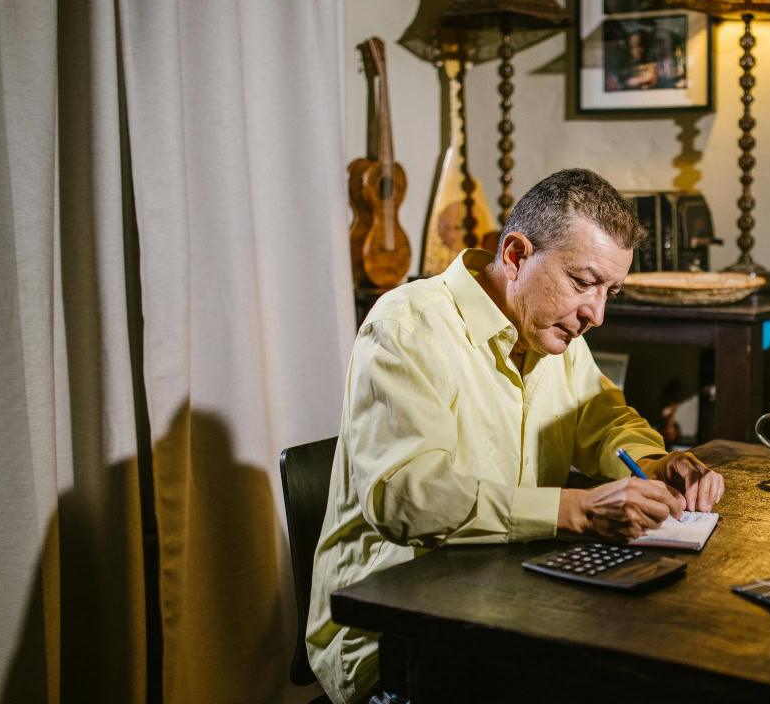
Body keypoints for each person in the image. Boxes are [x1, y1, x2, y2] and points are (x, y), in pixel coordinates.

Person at [306, 168, 726, 704]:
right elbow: (404, 497)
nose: (596, 314)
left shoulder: (554, 333)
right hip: (392, 641)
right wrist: (573, 509)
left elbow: (606, 422)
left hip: (501, 606)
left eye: (609, 291)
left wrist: (659, 461)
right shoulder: (408, 327)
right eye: (583, 282)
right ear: (515, 254)